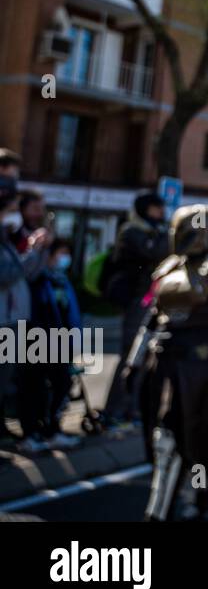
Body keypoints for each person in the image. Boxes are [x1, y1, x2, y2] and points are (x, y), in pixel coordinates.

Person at [136, 205, 208, 520]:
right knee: (167, 434)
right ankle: (164, 506)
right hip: (168, 362)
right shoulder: (168, 269)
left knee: (202, 437)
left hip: (201, 367)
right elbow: (153, 317)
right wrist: (134, 360)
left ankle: (198, 499)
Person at [101, 191, 169, 427]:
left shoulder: (157, 231)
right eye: (157, 208)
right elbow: (153, 252)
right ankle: (113, 411)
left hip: (151, 300)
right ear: (146, 209)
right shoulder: (132, 231)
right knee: (131, 355)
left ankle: (134, 409)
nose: (162, 212)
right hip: (136, 300)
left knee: (147, 356)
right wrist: (169, 235)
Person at [16, 238, 84, 454]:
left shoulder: (62, 280)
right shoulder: (37, 279)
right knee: (33, 388)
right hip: (36, 340)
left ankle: (53, 430)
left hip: (61, 341)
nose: (64, 258)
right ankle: (31, 432)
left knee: (60, 385)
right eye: (60, 252)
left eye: (67, 253)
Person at [0, 174, 47, 440]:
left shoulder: (6, 238)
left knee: (8, 379)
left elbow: (30, 275)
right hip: (4, 320)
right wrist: (30, 250)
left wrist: (38, 253)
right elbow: (9, 273)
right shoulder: (10, 238)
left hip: (15, 318)